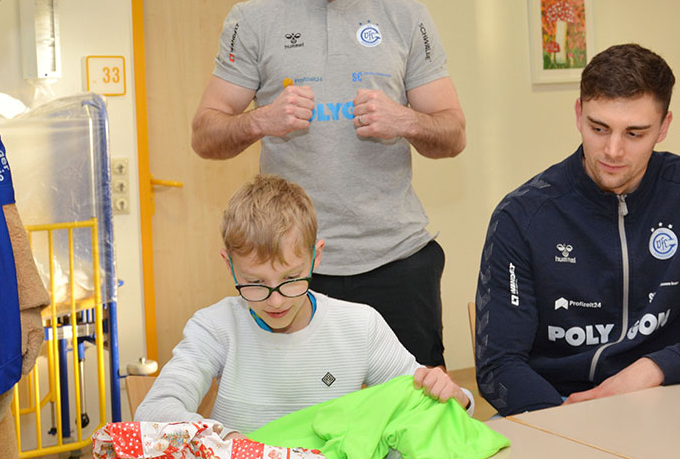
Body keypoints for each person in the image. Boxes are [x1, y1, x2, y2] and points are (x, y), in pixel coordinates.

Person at [191, 0, 465, 367]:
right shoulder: (253, 18)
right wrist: (259, 120)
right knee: (303, 422)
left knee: (415, 420)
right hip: (292, 271)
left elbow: (453, 132)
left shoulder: (407, 17)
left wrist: (404, 120)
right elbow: (205, 133)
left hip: (397, 260)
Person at [474, 44, 680, 417]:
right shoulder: (522, 215)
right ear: (578, 115)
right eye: (599, 128)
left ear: (664, 127)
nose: (612, 150)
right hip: (554, 408)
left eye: (635, 133)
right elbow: (499, 366)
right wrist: (571, 424)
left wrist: (655, 368)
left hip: (661, 398)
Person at [135, 175, 471, 434]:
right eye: (254, 283)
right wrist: (225, 441)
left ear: (315, 257)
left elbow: (437, 409)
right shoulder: (215, 327)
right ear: (229, 265)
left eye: (291, 279)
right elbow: (153, 413)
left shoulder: (359, 326)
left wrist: (455, 395)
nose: (276, 299)